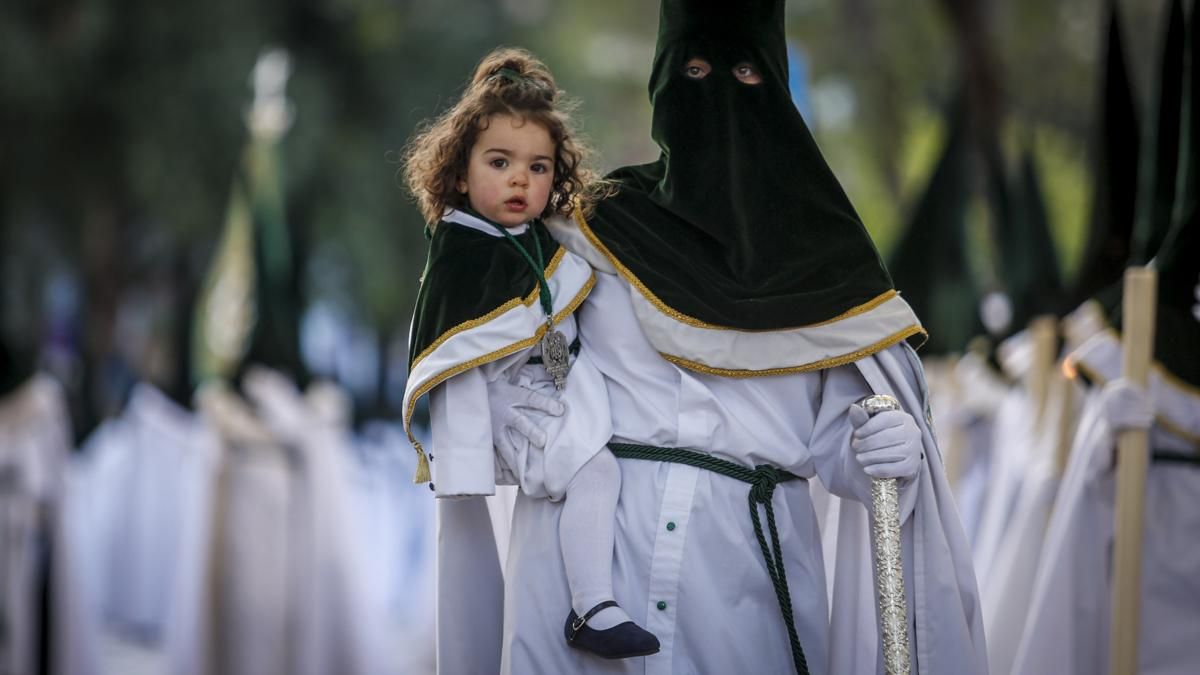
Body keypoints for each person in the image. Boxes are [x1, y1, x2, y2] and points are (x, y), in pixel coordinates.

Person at [445, 2, 989, 674]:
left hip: (744, 590)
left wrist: (880, 450)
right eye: (694, 70)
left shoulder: (829, 263)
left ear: (779, 88)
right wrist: (497, 406)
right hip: (582, 579)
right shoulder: (588, 230)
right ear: (662, 84)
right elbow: (502, 336)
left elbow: (834, 444)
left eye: (744, 74)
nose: (719, 95)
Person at [400, 47, 661, 661]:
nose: (521, 179)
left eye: (539, 167)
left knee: (604, 468)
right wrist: (471, 448)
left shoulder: (537, 241)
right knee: (597, 472)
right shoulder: (461, 253)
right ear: (460, 173)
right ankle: (591, 605)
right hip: (511, 411)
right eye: (500, 162)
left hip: (559, 396)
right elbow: (451, 357)